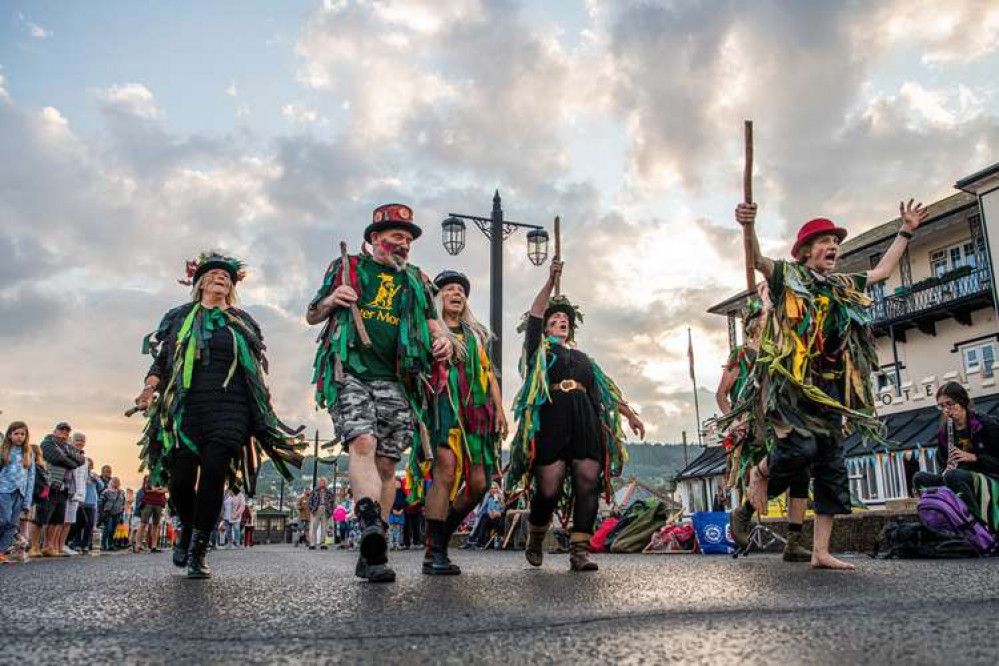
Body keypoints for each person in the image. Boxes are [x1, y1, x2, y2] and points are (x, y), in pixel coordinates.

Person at [731, 198, 928, 570]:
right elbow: (756, 260)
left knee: (831, 465)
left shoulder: (840, 285)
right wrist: (748, 226)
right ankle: (758, 475)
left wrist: (906, 230)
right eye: (824, 241)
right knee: (798, 450)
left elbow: (883, 272)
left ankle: (820, 551)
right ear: (806, 251)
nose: (833, 246)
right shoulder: (788, 276)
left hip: (832, 389)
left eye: (835, 241)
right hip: (792, 383)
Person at [134, 251, 304, 578]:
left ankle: (199, 549)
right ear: (199, 283)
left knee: (214, 473)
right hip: (187, 408)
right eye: (213, 275)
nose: (220, 279)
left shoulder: (242, 321)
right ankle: (186, 529)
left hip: (231, 408)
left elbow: (254, 370)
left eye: (226, 277)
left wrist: (261, 408)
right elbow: (163, 360)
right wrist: (149, 388)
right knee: (182, 479)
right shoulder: (180, 317)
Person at [307, 203, 451, 582]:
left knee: (387, 466)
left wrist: (444, 344)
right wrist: (331, 300)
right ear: (375, 238)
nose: (404, 243)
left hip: (399, 380)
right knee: (363, 444)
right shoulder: (349, 267)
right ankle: (369, 520)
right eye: (396, 236)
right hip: (351, 369)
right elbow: (312, 314)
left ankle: (375, 549)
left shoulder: (417, 279)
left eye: (408, 238)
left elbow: (432, 323)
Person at [506, 259, 645, 571]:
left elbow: (606, 393)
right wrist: (549, 279)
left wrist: (630, 415)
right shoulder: (538, 353)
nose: (561, 320)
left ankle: (580, 551)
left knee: (587, 481)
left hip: (585, 420)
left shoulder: (584, 359)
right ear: (546, 327)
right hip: (552, 418)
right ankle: (537, 535)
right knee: (549, 486)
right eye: (555, 318)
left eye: (565, 318)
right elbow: (535, 315)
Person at [407, 270, 508, 575]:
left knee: (480, 483)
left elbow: (489, 374)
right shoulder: (428, 329)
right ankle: (435, 551)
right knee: (446, 472)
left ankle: (438, 538)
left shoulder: (476, 335)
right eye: (449, 289)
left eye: (461, 290)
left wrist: (500, 409)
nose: (456, 293)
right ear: (438, 297)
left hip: (476, 412)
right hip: (442, 408)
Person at [913, 382, 999, 530]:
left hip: (987, 476)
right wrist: (945, 468)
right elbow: (943, 465)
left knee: (953, 476)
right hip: (956, 476)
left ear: (962, 402)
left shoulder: (985, 424)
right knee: (920, 478)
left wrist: (975, 457)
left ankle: (977, 528)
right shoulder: (944, 432)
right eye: (941, 406)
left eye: (950, 404)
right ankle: (937, 526)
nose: (946, 410)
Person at [39, 423, 84, 557]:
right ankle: (37, 546)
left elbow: (80, 460)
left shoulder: (66, 447)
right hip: (51, 484)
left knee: (57, 519)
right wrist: (70, 461)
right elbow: (56, 457)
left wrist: (68, 458)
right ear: (55, 431)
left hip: (65, 487)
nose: (64, 433)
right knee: (44, 517)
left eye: (66, 432)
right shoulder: (47, 443)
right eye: (61, 430)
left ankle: (49, 547)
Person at [0, 422, 37, 564]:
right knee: (3, 520)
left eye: (22, 434)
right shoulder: (4, 450)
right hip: (3, 490)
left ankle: (1, 552)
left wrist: (27, 501)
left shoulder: (29, 453)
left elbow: (31, 477)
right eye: (16, 434)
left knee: (12, 524)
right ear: (9, 435)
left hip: (20, 493)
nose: (19, 437)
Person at [465, 483, 505, 549]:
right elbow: (490, 513)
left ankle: (476, 541)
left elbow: (503, 511)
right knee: (484, 517)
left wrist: (501, 502)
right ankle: (478, 541)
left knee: (485, 517)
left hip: (499, 520)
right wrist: (494, 512)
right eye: (491, 488)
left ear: (497, 489)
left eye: (495, 488)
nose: (493, 490)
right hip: (491, 519)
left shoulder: (501, 498)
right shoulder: (489, 499)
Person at [137, 477, 168, 553]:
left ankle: (154, 546)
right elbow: (147, 489)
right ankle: (138, 546)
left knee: (156, 525)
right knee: (143, 524)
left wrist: (157, 490)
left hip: (159, 503)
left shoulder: (164, 479)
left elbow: (166, 489)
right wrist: (158, 490)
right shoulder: (150, 478)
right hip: (148, 502)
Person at [99, 477, 126, 552]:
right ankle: (103, 544)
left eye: (117, 482)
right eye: (114, 482)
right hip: (108, 513)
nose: (116, 483)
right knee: (108, 528)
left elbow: (123, 502)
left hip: (117, 513)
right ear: (111, 482)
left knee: (114, 530)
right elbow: (100, 502)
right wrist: (102, 513)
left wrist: (122, 510)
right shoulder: (106, 492)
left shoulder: (122, 492)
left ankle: (111, 544)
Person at [308, 478, 335, 550]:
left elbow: (332, 503)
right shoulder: (314, 491)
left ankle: (323, 543)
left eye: (323, 482)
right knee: (313, 526)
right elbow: (310, 500)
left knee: (325, 527)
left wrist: (330, 511)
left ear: (326, 483)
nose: (322, 483)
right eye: (321, 482)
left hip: (325, 509)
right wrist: (311, 509)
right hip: (316, 509)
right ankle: (312, 543)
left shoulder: (329, 492)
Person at [388, 478, 406, 550]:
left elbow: (405, 502)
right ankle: (391, 544)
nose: (398, 484)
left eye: (399, 483)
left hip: (400, 512)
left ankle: (397, 544)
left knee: (398, 529)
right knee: (391, 528)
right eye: (396, 483)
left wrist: (401, 510)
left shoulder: (402, 493)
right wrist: (392, 510)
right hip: (392, 513)